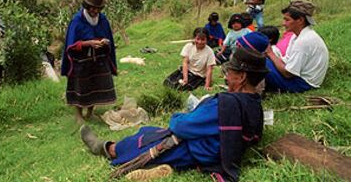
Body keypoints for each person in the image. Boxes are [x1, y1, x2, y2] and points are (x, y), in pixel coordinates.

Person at [80, 47, 268, 182]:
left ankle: (107, 148)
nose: (226, 77)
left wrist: (178, 116)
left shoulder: (226, 104)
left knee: (143, 138)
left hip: (194, 151)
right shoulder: (254, 104)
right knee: (149, 129)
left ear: (242, 77)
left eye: (230, 73)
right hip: (213, 147)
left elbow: (180, 126)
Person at [61, 0, 117, 123]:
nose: (95, 11)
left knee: (95, 86)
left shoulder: (102, 19)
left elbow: (108, 38)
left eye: (97, 9)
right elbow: (71, 45)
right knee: (79, 86)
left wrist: (104, 42)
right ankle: (79, 114)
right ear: (87, 6)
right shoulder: (77, 20)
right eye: (92, 8)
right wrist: (88, 43)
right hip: (81, 61)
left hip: (98, 60)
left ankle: (90, 112)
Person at [265, 0, 329, 93]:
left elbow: (288, 74)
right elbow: (287, 60)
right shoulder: (297, 36)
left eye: (287, 20)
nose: (283, 23)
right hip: (300, 78)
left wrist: (271, 54)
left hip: (303, 84)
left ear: (300, 20)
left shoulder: (303, 41)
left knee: (257, 61)